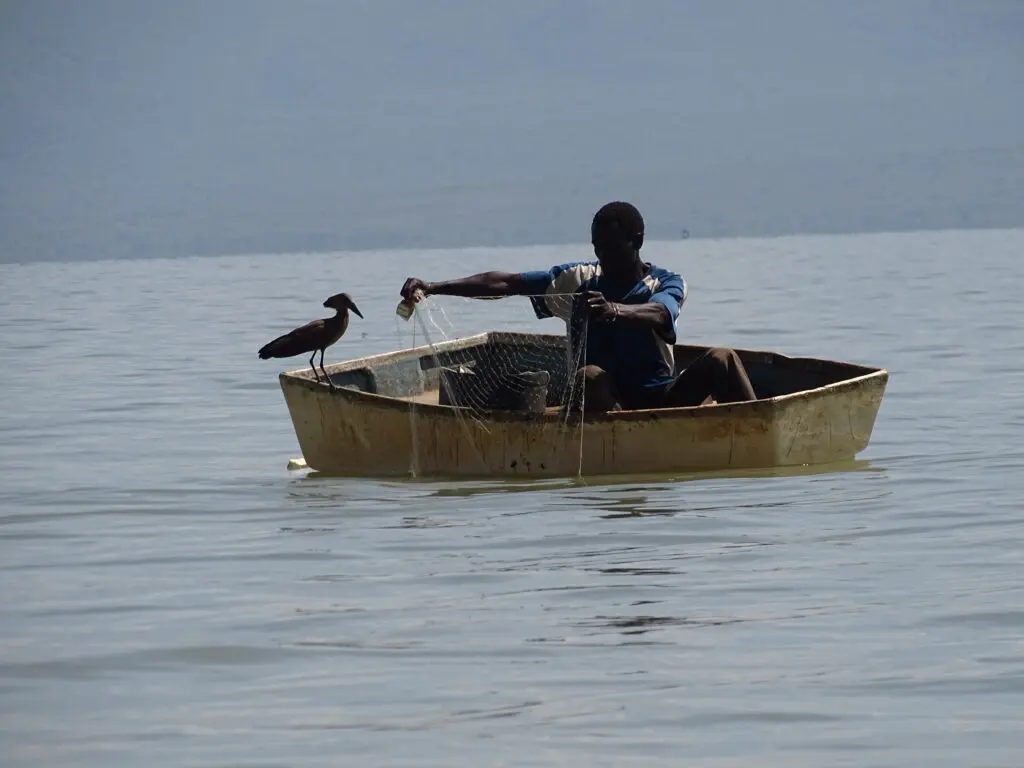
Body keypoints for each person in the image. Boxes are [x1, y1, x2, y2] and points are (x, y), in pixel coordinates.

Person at [399, 201, 757, 412]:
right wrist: (434, 287)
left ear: (637, 242)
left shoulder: (664, 282)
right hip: (600, 402)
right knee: (589, 376)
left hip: (659, 398)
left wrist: (615, 311)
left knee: (722, 359)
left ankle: (759, 431)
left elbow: (661, 313)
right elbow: (507, 282)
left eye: (612, 246)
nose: (602, 254)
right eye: (597, 246)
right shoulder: (578, 281)